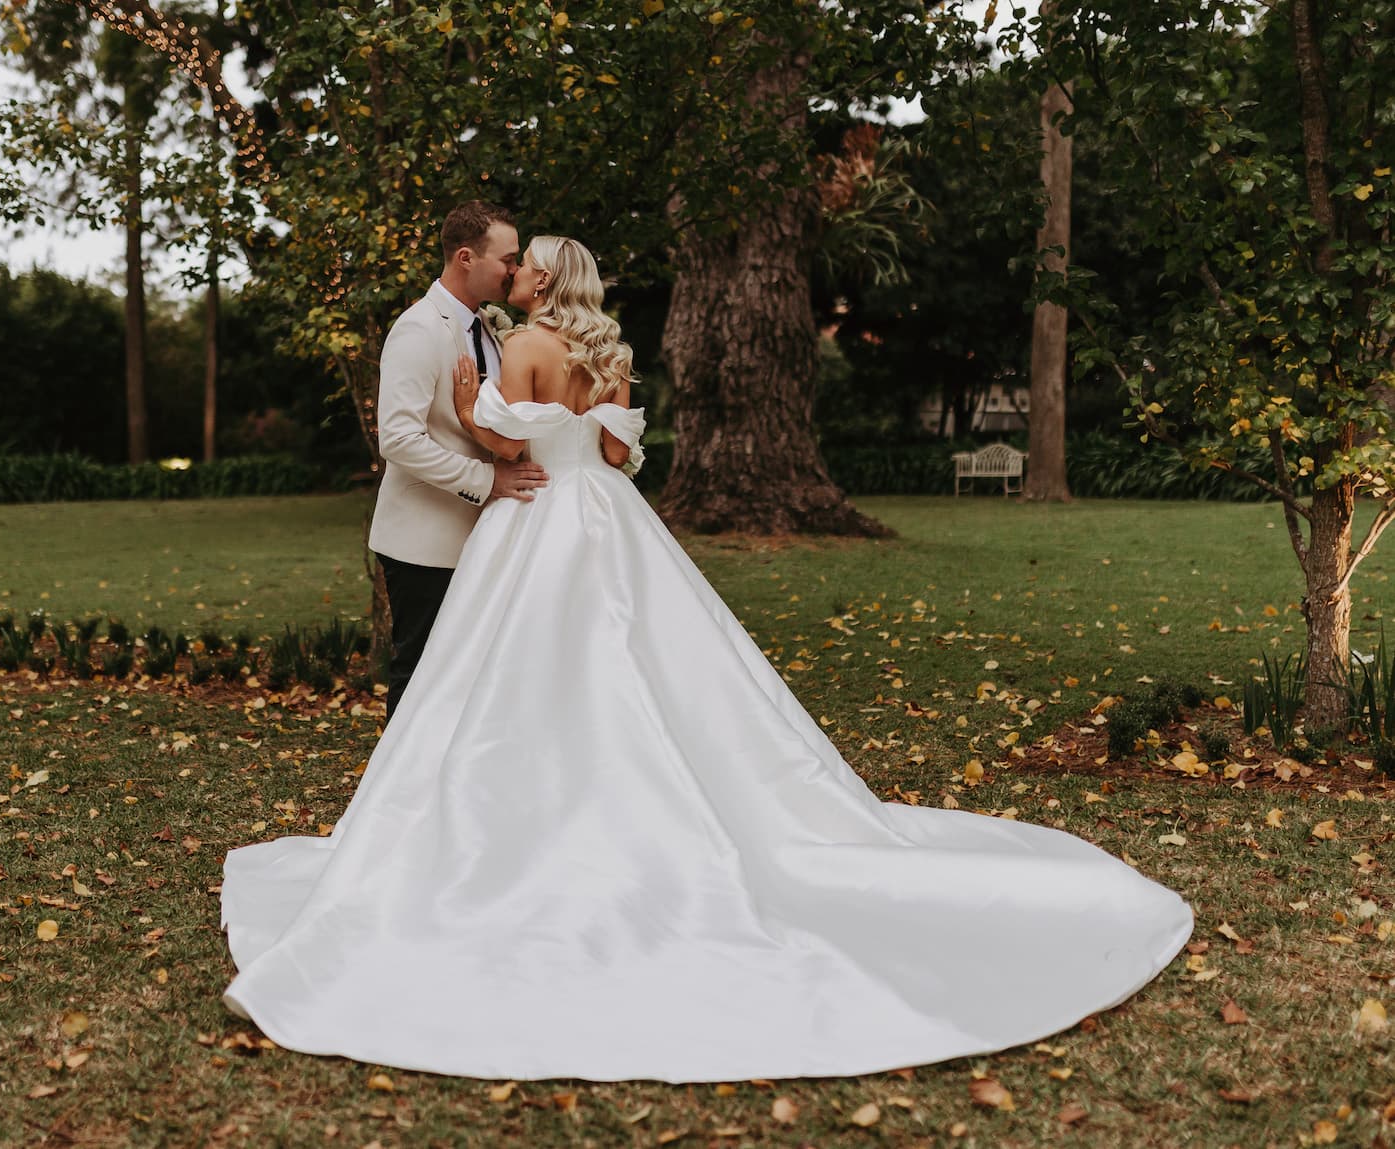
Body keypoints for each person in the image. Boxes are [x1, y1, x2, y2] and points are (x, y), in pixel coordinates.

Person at [219, 235, 1194, 1083]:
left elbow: (502, 442)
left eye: (531, 270)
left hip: (530, 524)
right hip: (606, 522)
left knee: (514, 674)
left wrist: (475, 408)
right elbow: (613, 460)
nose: (518, 280)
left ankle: (529, 818)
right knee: (647, 662)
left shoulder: (517, 347)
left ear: (548, 282)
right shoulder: (608, 356)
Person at [368, 200, 548, 722]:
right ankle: (399, 795)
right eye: (508, 259)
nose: (515, 270)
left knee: (473, 674)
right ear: (466, 257)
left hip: (486, 537)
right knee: (421, 669)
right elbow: (398, 439)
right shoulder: (419, 329)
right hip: (424, 539)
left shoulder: (492, 329)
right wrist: (487, 479)